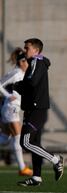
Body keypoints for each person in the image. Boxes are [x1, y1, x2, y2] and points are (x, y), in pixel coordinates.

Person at [14, 38, 64, 186]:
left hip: (37, 109)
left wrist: (16, 85)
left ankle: (56, 159)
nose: (25, 50)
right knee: (34, 142)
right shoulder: (35, 62)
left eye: (27, 48)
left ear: (36, 50)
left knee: (26, 142)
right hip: (33, 109)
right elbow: (31, 82)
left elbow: (32, 82)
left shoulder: (37, 61)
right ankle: (36, 177)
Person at [0, 48, 32, 176]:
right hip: (10, 108)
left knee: (5, 138)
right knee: (17, 137)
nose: (28, 64)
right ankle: (22, 168)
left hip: (14, 108)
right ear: (22, 62)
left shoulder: (24, 75)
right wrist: (7, 95)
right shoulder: (16, 73)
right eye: (27, 62)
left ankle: (22, 168)